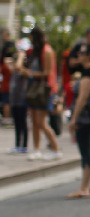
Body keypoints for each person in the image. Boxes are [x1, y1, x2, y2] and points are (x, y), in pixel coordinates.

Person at [66, 44, 90, 198]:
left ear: (89, 55)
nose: (78, 55)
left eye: (81, 52)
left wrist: (73, 118)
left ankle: (84, 188)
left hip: (86, 117)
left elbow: (82, 98)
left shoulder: (88, 74)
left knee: (86, 150)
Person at [23, 27, 62, 161]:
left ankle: (56, 148)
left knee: (41, 122)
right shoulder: (35, 52)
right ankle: (36, 149)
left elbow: (47, 72)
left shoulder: (47, 51)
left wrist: (30, 74)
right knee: (34, 121)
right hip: (34, 88)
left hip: (44, 89)